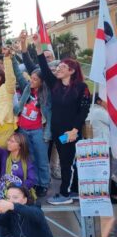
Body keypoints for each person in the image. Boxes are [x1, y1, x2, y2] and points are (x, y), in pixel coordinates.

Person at [33, 34, 91, 205]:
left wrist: (74, 130)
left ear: (71, 71)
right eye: (58, 66)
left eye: (62, 67)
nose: (58, 69)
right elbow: (43, 67)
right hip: (58, 132)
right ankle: (73, 191)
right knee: (68, 162)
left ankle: (65, 193)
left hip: (71, 132)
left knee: (68, 163)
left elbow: (83, 111)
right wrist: (38, 46)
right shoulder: (54, 84)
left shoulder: (81, 87)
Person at [12, 54, 51, 197]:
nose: (32, 81)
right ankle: (34, 182)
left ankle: (44, 184)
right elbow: (18, 74)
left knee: (42, 159)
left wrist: (48, 133)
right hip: (24, 130)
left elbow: (49, 116)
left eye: (35, 79)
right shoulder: (27, 88)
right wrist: (12, 59)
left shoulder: (46, 94)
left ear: (42, 81)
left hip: (38, 131)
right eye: (31, 78)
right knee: (31, 158)